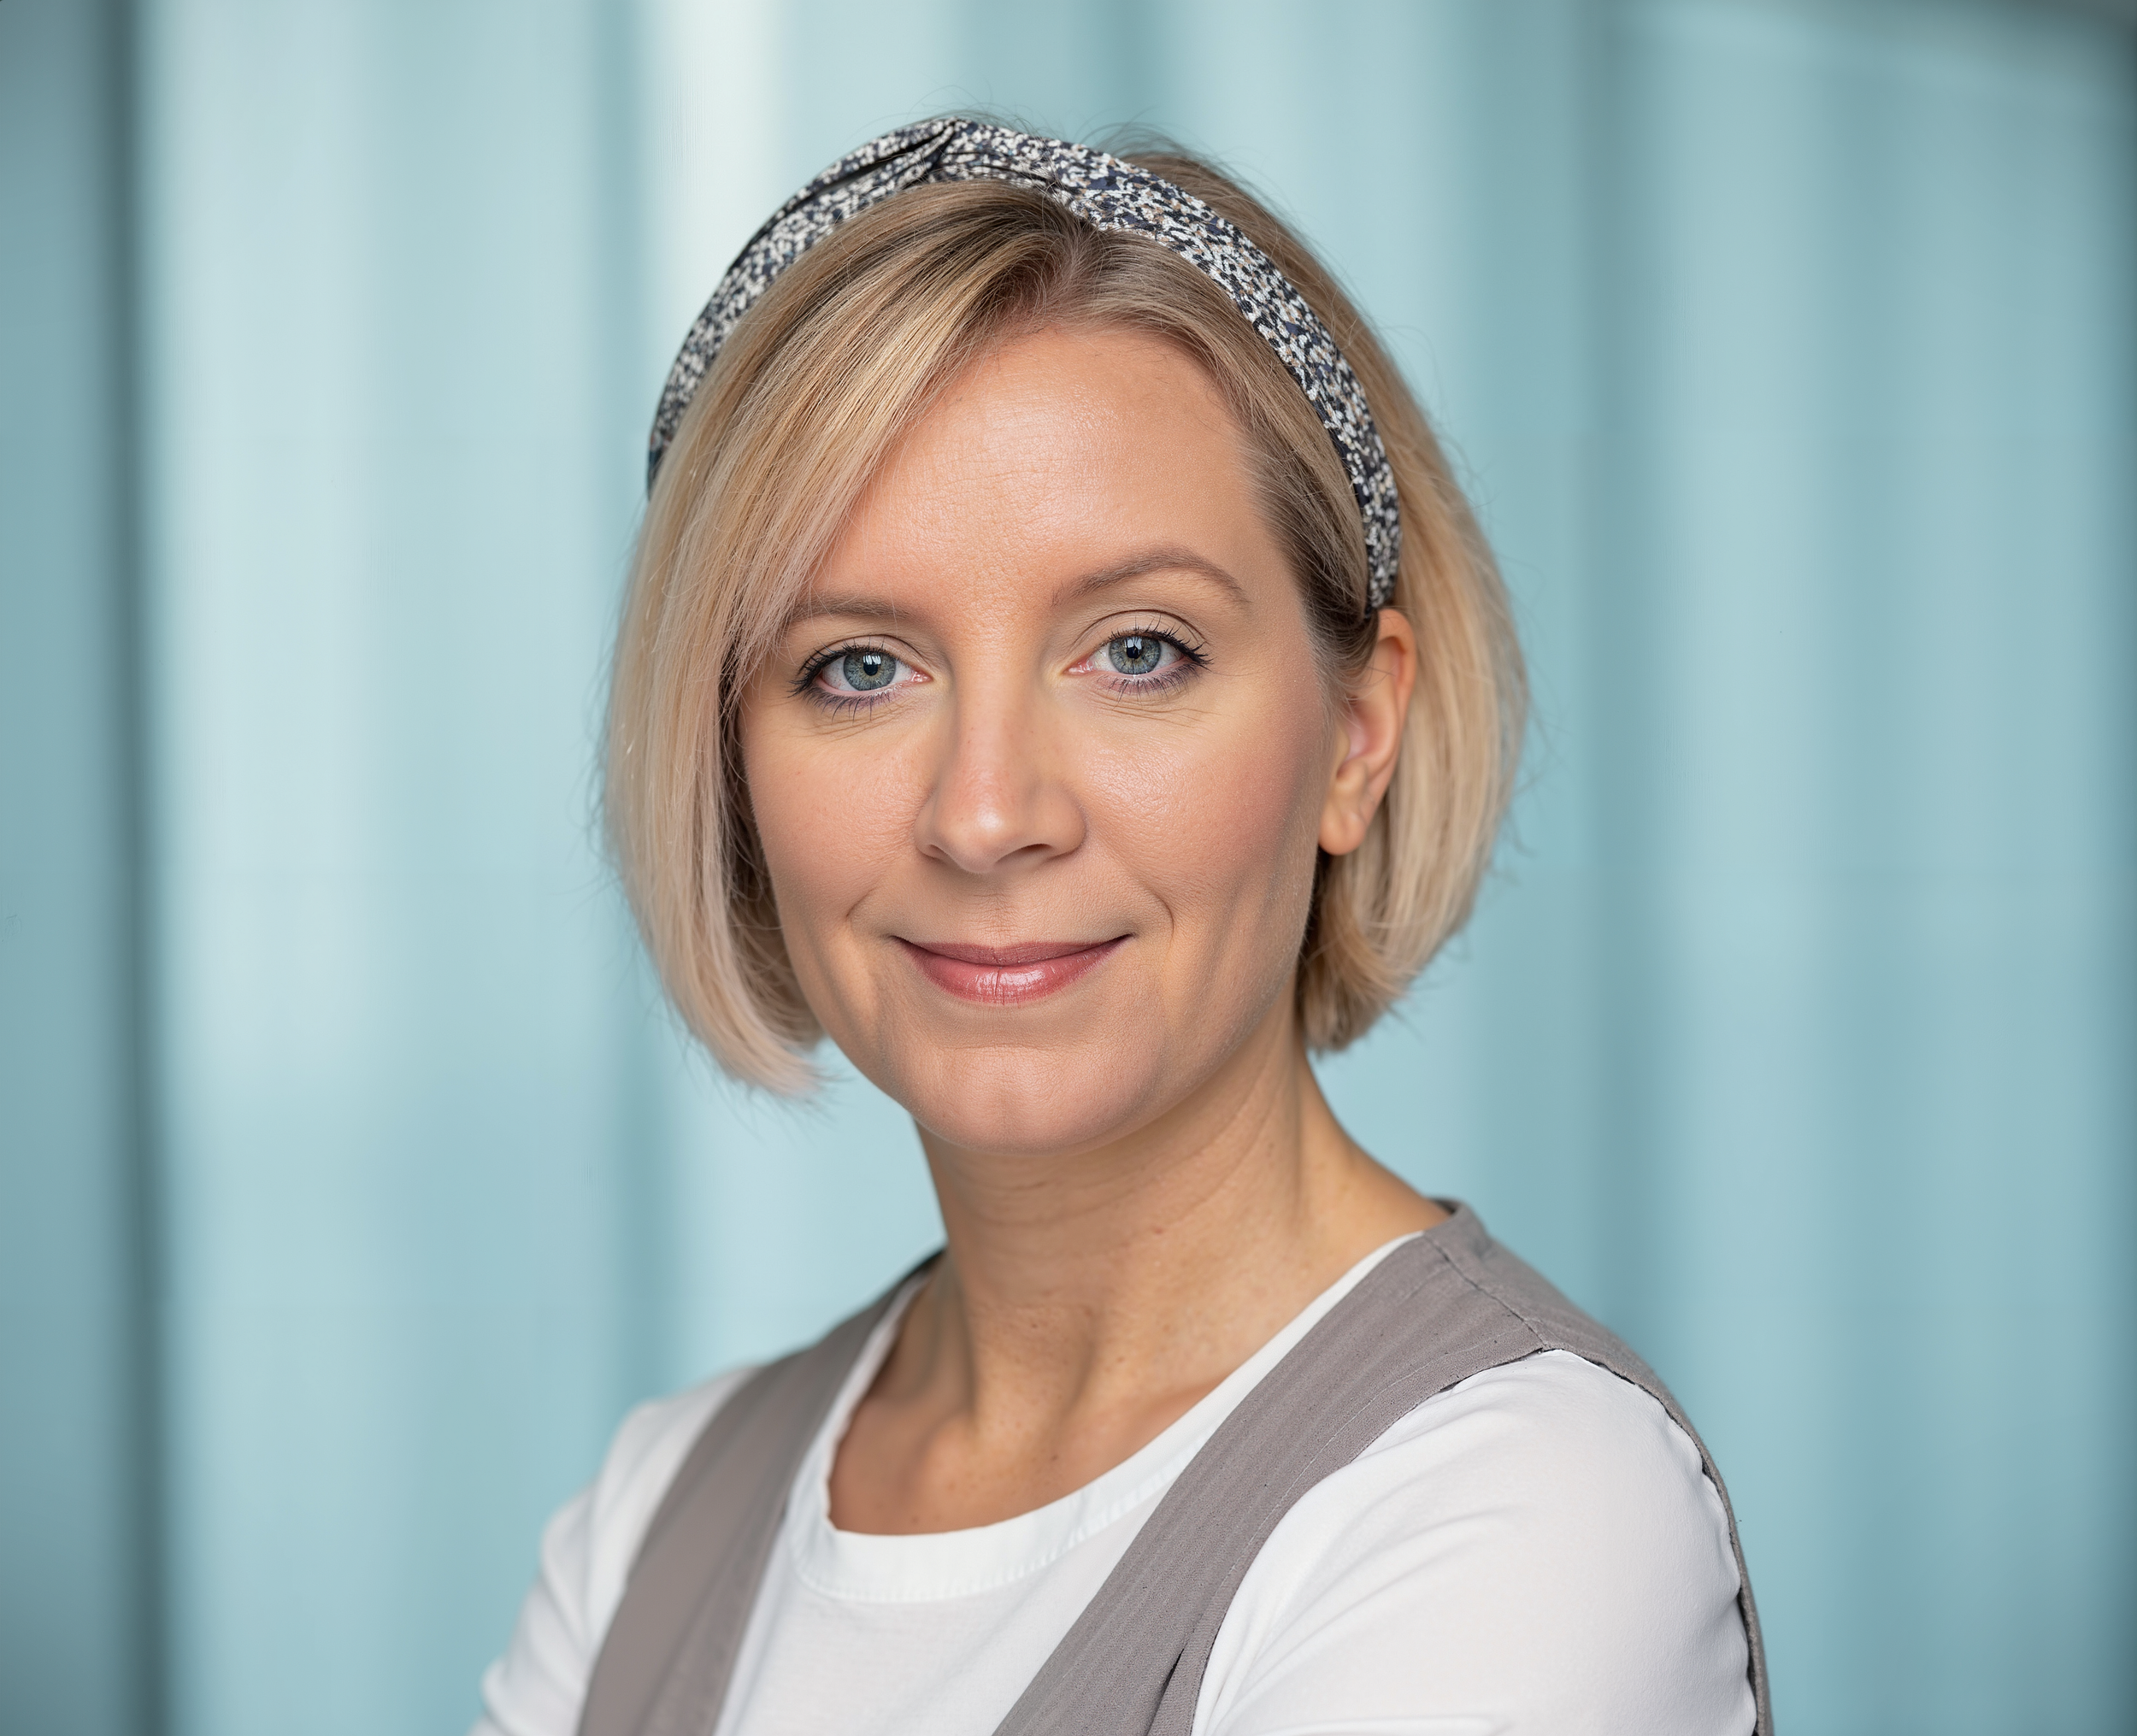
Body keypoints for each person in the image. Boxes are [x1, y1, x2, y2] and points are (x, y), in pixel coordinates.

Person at [473, 120, 1768, 1736]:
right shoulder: (649, 1524)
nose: (987, 812)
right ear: (728, 764)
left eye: (1139, 649)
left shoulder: (1525, 1513)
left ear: (1356, 736)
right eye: (859, 667)